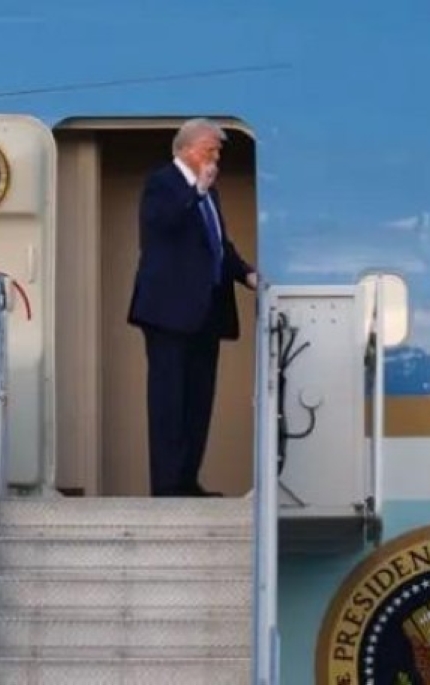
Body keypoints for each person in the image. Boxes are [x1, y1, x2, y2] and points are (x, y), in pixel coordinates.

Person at [127, 118, 258, 497]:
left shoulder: (209, 194)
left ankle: (187, 480)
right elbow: (162, 224)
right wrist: (196, 191)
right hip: (168, 312)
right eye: (209, 149)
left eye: (218, 151)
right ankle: (167, 486)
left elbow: (220, 246)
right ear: (185, 148)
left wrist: (247, 274)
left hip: (206, 312)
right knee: (169, 400)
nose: (216, 156)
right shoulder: (162, 183)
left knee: (199, 400)